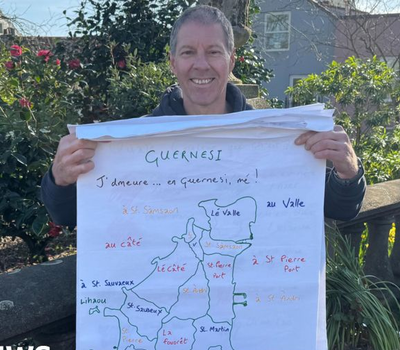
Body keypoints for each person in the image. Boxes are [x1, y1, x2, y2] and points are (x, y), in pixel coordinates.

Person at [41, 5, 365, 226]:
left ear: (231, 60)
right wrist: (60, 180)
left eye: (213, 52)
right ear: (173, 62)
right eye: (188, 52)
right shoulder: (132, 144)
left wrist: (348, 172)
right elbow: (67, 216)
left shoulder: (278, 140)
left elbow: (340, 210)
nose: (201, 64)